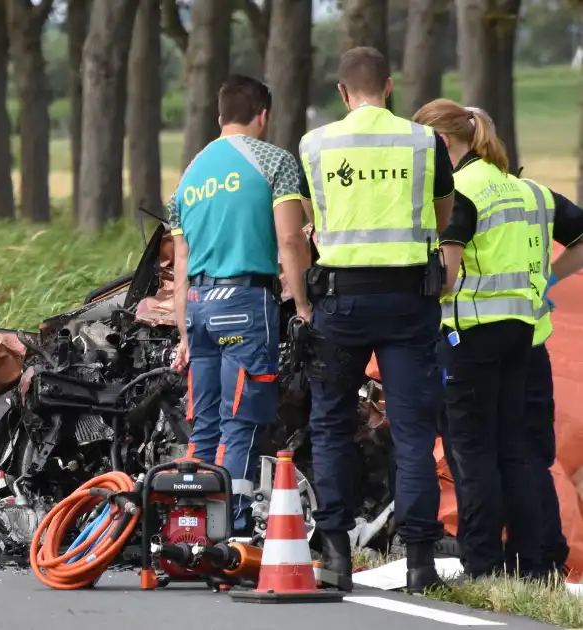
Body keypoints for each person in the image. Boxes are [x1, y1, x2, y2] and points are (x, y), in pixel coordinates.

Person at [295, 46, 456, 594]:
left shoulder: (314, 145)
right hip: (409, 300)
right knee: (414, 432)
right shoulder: (423, 140)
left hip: (340, 302)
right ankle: (418, 562)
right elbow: (442, 214)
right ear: (388, 87)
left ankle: (335, 554)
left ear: (343, 93)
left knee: (330, 424)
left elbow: (314, 220)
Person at [415, 101, 583, 579]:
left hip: (469, 338)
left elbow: (446, 279)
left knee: (472, 453)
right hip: (526, 339)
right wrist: (548, 282)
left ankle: (483, 563)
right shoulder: (529, 191)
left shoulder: (458, 193)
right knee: (522, 453)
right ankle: (539, 563)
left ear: (442, 144)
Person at [167, 74, 313, 534]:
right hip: (245, 304)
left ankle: (189, 526)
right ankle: (234, 529)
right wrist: (305, 306)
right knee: (243, 423)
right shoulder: (275, 162)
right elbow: (291, 238)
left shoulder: (189, 175)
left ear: (219, 116)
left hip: (196, 305)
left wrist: (183, 334)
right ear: (263, 115)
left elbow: (180, 263)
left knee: (203, 424)